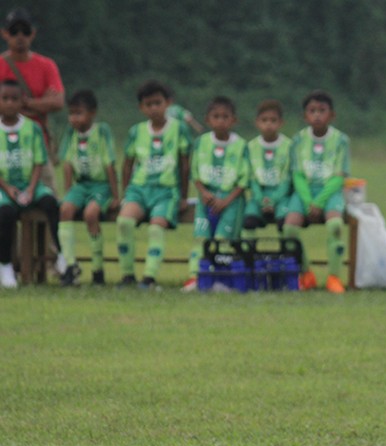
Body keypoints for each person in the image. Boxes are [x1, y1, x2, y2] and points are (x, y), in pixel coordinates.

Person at [115, 79, 192, 289]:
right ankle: (127, 276)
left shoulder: (179, 129)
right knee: (124, 223)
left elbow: (185, 165)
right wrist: (125, 194)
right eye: (148, 104)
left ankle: (149, 278)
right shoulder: (136, 131)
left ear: (168, 103)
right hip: (139, 190)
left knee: (156, 228)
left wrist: (184, 196)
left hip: (166, 191)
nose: (154, 108)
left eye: (158, 103)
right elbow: (127, 164)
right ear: (141, 107)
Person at [282, 89, 349, 294]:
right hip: (304, 192)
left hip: (329, 192)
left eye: (322, 110)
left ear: (332, 115)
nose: (317, 115)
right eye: (312, 111)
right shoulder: (298, 140)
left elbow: (339, 176)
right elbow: (297, 175)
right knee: (289, 229)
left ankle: (334, 277)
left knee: (335, 225)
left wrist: (319, 201)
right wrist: (308, 199)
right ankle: (306, 274)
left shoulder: (341, 140)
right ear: (305, 116)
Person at [183, 96, 250, 292]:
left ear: (233, 120)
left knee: (223, 240)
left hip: (231, 202)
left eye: (225, 116)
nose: (220, 120)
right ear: (208, 120)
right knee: (201, 238)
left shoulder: (240, 146)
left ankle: (223, 278)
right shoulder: (201, 142)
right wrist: (203, 192)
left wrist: (226, 200)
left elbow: (244, 180)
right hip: (206, 200)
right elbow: (195, 172)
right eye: (216, 116)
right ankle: (194, 277)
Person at [56, 89, 119, 286]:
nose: (74, 118)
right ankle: (70, 266)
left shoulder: (102, 131)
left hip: (100, 186)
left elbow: (110, 164)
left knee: (91, 214)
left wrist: (116, 195)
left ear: (92, 112)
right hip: (80, 185)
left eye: (79, 113)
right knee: (65, 209)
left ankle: (98, 269)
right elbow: (66, 163)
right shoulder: (70, 133)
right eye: (71, 113)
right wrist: (68, 193)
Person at [0, 79, 58, 289]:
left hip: (30, 184)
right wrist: (8, 188)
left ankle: (59, 257)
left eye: (14, 99)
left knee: (51, 203)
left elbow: (38, 162)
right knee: (5, 214)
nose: (9, 103)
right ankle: (5, 265)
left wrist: (32, 189)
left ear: (22, 101)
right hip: (4, 188)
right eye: (4, 99)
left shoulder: (32, 128)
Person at [0, 7, 63, 191]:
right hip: (3, 147)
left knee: (46, 202)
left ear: (33, 34)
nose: (20, 36)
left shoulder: (46, 66)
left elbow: (58, 102)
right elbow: (49, 103)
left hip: (38, 147)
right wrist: (40, 104)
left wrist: (21, 104)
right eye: (14, 31)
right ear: (5, 34)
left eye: (25, 31)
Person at [241, 99, 292, 241]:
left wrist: (273, 201)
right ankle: (249, 259)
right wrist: (261, 200)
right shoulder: (250, 147)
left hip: (281, 197)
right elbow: (251, 178)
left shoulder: (289, 146)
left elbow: (287, 178)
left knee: (285, 224)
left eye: (273, 120)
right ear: (257, 122)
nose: (268, 124)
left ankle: (288, 259)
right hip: (258, 196)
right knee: (248, 222)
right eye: (264, 120)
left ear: (281, 123)